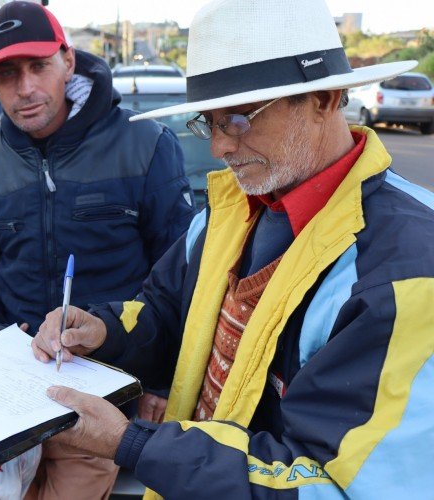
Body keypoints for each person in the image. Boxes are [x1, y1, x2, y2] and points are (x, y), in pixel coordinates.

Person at [32, 0, 434, 497]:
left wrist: (134, 445)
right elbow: (166, 312)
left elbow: (333, 485)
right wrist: (105, 332)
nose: (219, 147)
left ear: (326, 98)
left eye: (239, 119)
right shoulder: (229, 213)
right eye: (209, 122)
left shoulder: (407, 271)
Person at [0, 2, 195, 498]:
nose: (25, 89)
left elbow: (182, 276)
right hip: (11, 393)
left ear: (67, 60)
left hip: (111, 391)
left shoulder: (145, 145)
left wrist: (162, 380)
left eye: (38, 66)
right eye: (6, 74)